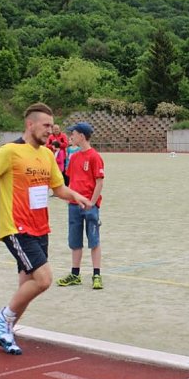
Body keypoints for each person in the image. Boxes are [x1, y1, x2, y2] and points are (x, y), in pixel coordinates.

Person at [0, 102, 90, 355]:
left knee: (26, 285)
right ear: (31, 124)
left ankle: (7, 332)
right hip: (17, 228)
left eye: (52, 125)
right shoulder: (10, 151)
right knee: (44, 279)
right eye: (46, 125)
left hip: (41, 228)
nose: (51, 130)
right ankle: (3, 317)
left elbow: (58, 189)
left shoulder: (47, 155)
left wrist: (77, 196)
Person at [56, 122, 105, 290]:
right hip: (73, 205)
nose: (71, 137)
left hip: (90, 206)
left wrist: (91, 202)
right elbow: (69, 181)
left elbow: (99, 182)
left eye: (74, 134)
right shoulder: (74, 157)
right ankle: (75, 274)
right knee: (75, 241)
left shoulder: (94, 156)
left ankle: (96, 274)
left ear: (82, 136)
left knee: (94, 240)